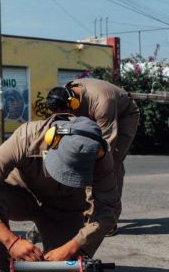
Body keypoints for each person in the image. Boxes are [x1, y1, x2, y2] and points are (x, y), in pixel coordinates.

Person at [0, 115, 119, 272]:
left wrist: (72, 247)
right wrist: (11, 242)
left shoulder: (100, 154)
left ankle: (63, 270)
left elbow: (109, 210)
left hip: (63, 209)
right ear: (53, 140)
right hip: (20, 198)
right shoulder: (26, 137)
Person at [45, 78, 139, 235]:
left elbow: (104, 146)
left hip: (124, 117)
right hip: (93, 114)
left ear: (73, 103)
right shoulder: (64, 94)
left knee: (110, 165)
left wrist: (89, 165)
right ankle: (88, 211)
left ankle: (108, 219)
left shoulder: (102, 103)